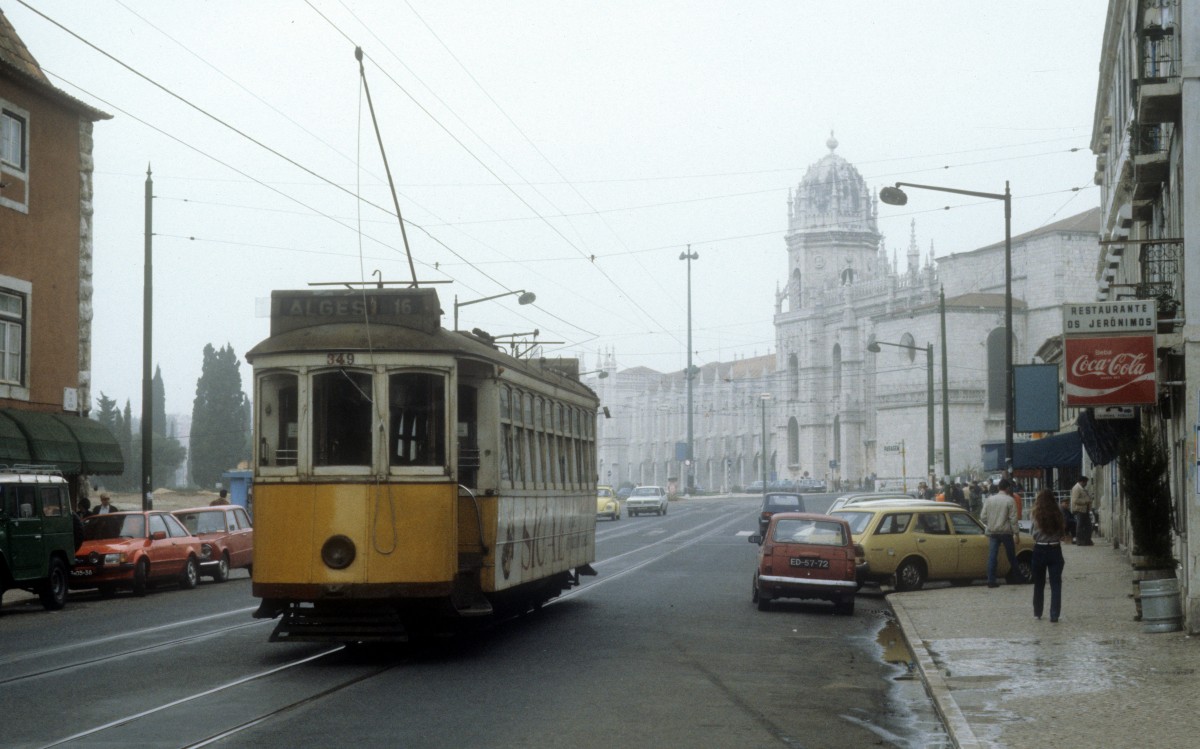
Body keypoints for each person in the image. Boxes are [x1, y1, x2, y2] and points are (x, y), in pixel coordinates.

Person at [1030, 489, 1067, 622]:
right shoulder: (1058, 513)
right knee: (1056, 584)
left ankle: (1037, 612)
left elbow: (1032, 533)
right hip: (1055, 549)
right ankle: (1054, 614)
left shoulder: (1035, 514)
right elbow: (1063, 532)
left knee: (1038, 583)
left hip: (1039, 549)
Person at [981, 478, 1021, 588]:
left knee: (992, 556)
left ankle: (991, 580)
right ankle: (1018, 577)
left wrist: (990, 524)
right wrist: (1016, 534)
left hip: (993, 532)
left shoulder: (989, 500)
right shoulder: (1010, 500)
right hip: (1006, 532)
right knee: (1012, 556)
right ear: (1008, 488)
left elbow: (983, 517)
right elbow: (1013, 519)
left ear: (998, 487)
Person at [1070, 476, 1094, 545]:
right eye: (1085, 482)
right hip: (1079, 510)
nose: (1086, 484)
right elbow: (1075, 500)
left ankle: (1087, 540)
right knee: (1080, 526)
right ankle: (1080, 541)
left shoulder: (1082, 488)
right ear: (1082, 482)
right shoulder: (1076, 488)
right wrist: (1086, 501)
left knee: (1088, 526)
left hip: (1085, 510)